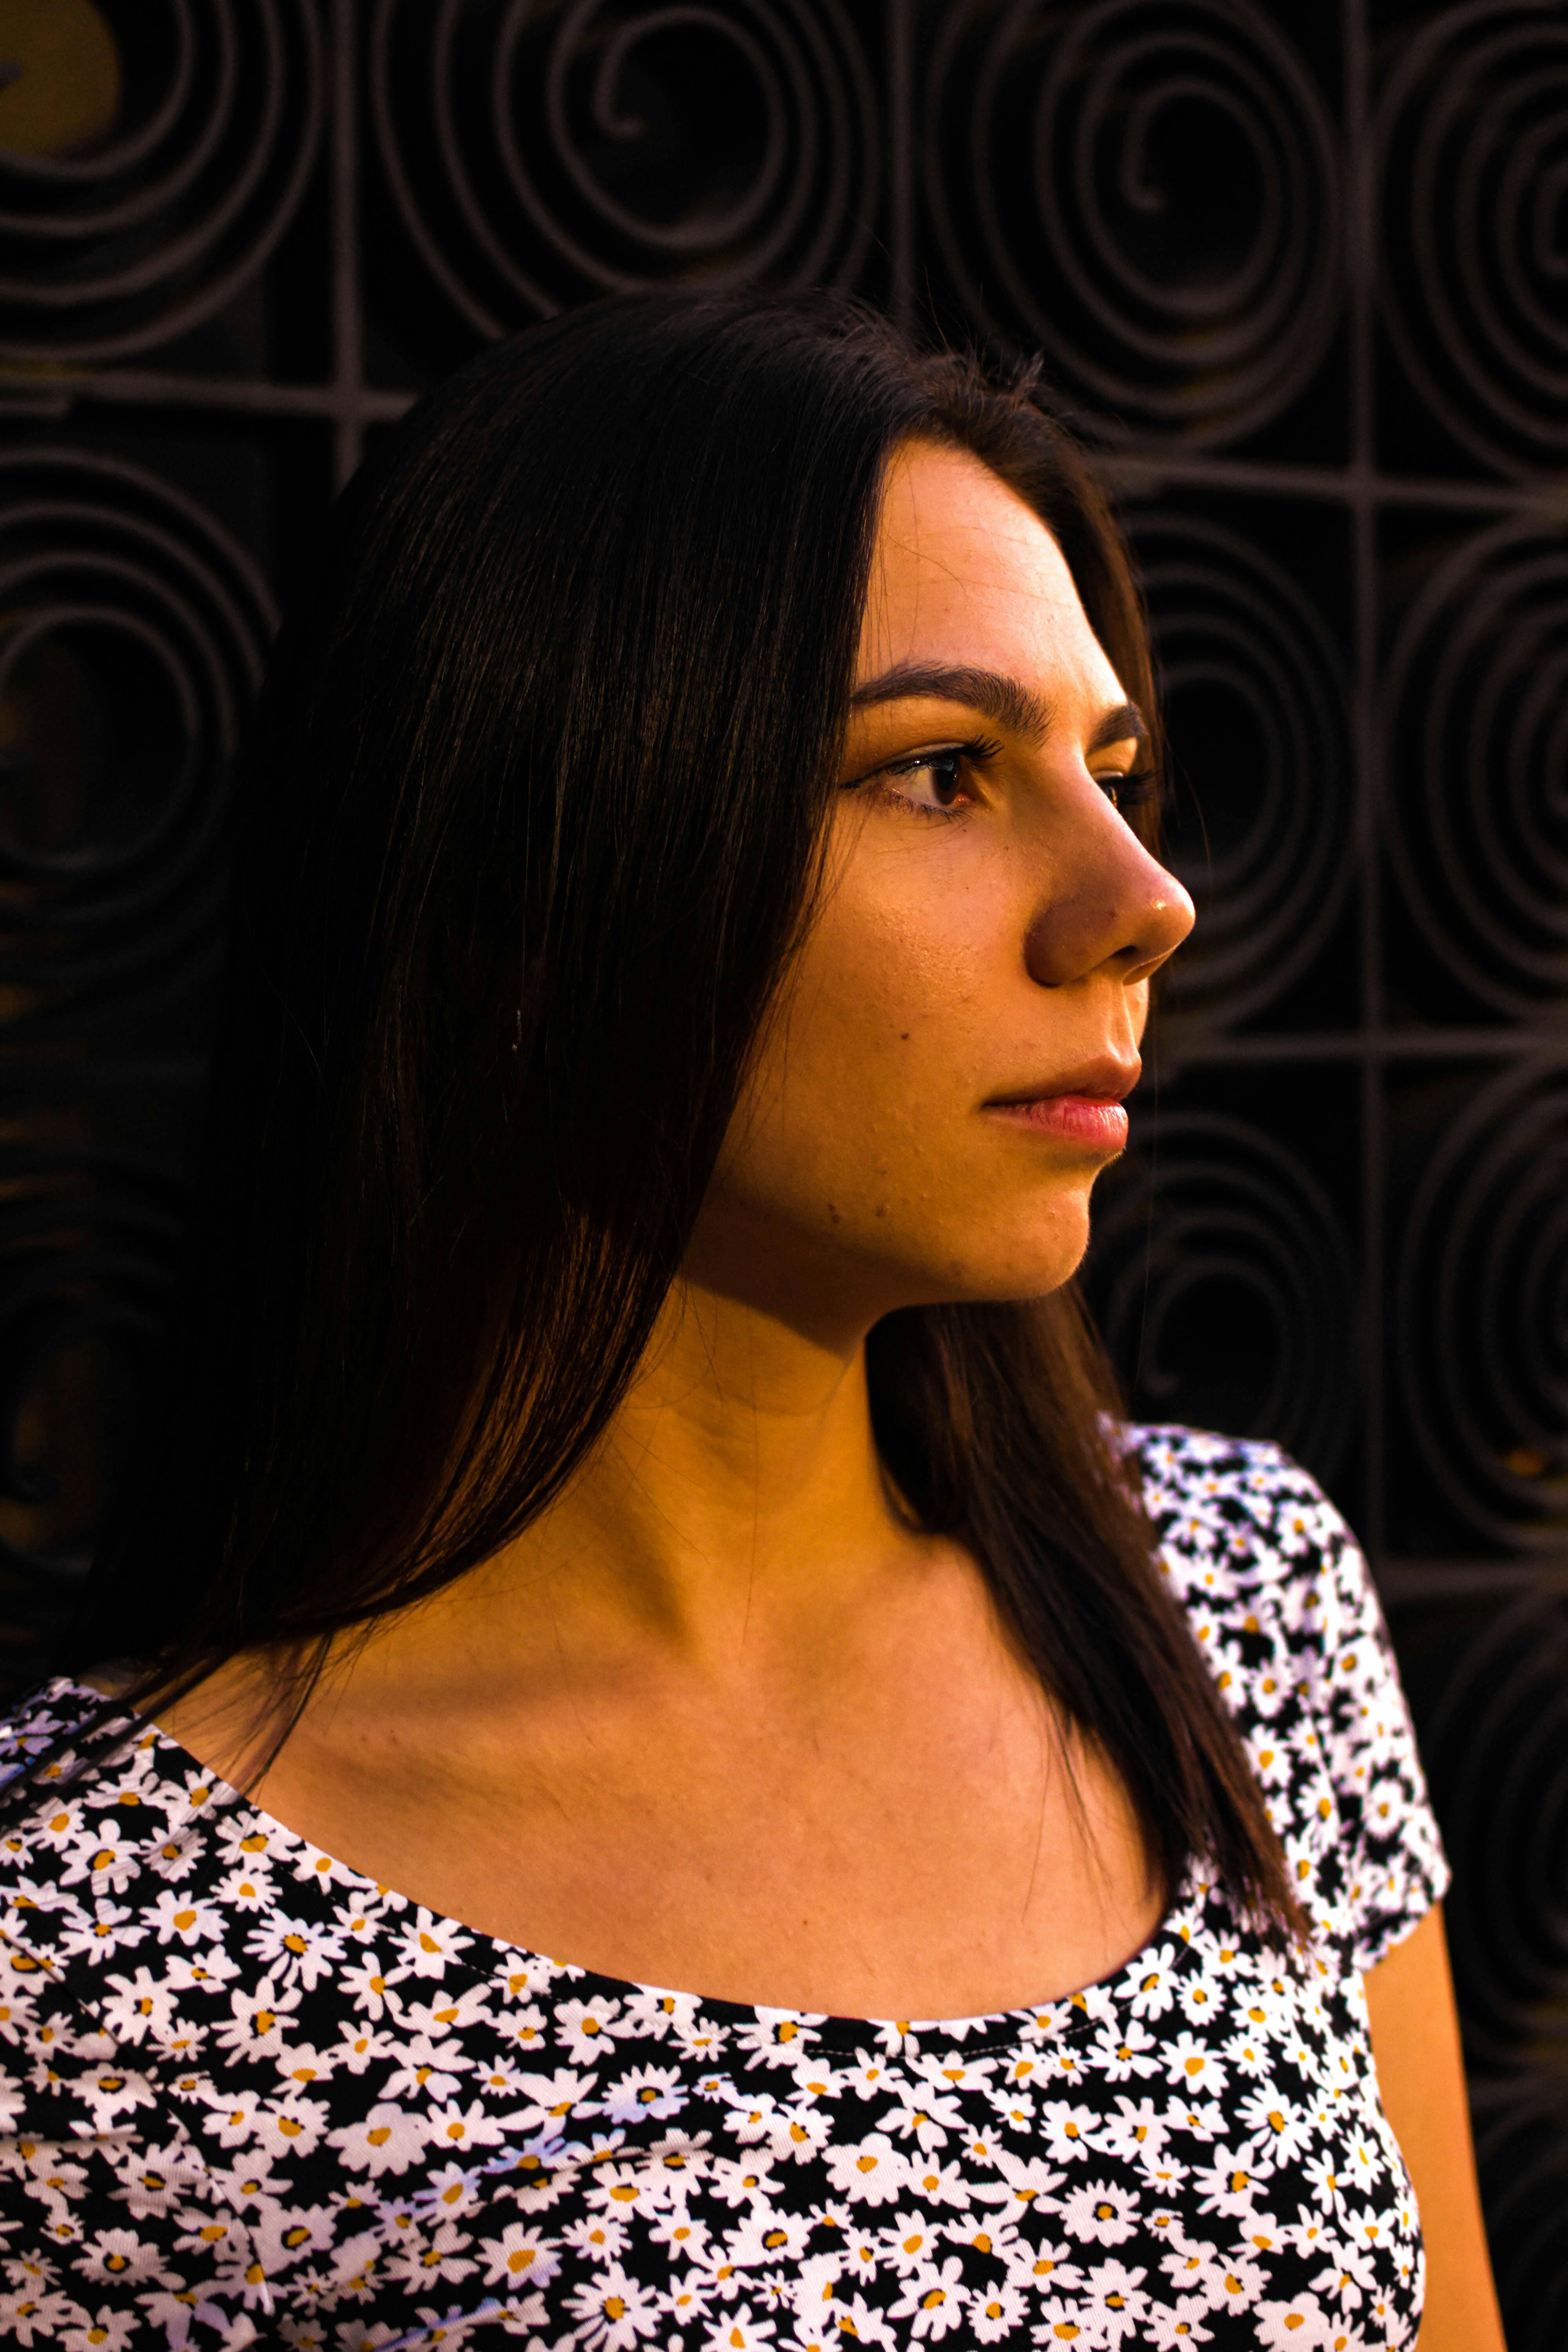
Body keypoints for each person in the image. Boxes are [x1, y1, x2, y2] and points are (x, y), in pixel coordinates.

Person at [0, 296, 1503, 2352]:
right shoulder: (88, 1932)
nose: (1142, 895)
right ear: (543, 882)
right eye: (943, 774)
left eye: (1116, 765)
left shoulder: (1232, 1600)